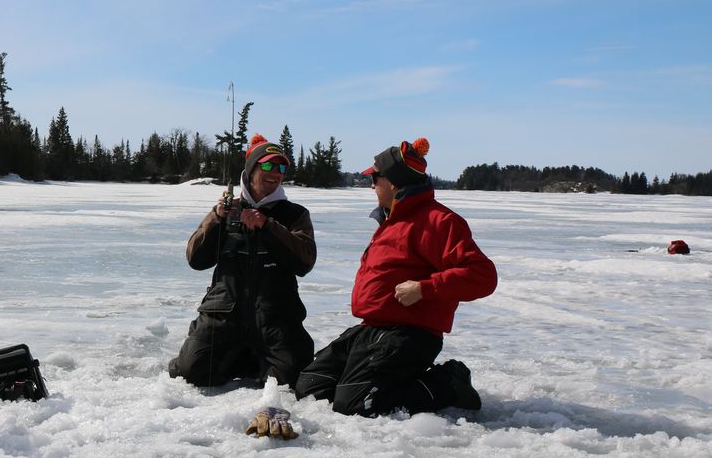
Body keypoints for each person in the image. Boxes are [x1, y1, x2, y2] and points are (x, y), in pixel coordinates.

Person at [295, 138, 496, 416]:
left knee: (357, 404)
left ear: (392, 181)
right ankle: (376, 381)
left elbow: (483, 276)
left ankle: (448, 383)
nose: (371, 185)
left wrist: (425, 288)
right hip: (371, 330)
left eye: (375, 178)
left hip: (409, 335)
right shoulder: (391, 220)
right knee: (310, 388)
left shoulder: (438, 221)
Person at [169, 134, 316, 389]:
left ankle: (253, 358)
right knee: (189, 373)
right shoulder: (228, 209)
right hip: (224, 314)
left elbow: (304, 262)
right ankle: (239, 356)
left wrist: (268, 226)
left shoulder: (295, 215)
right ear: (251, 169)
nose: (275, 173)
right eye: (268, 165)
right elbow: (196, 259)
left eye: (281, 167)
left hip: (275, 317)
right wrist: (216, 219)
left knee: (293, 381)